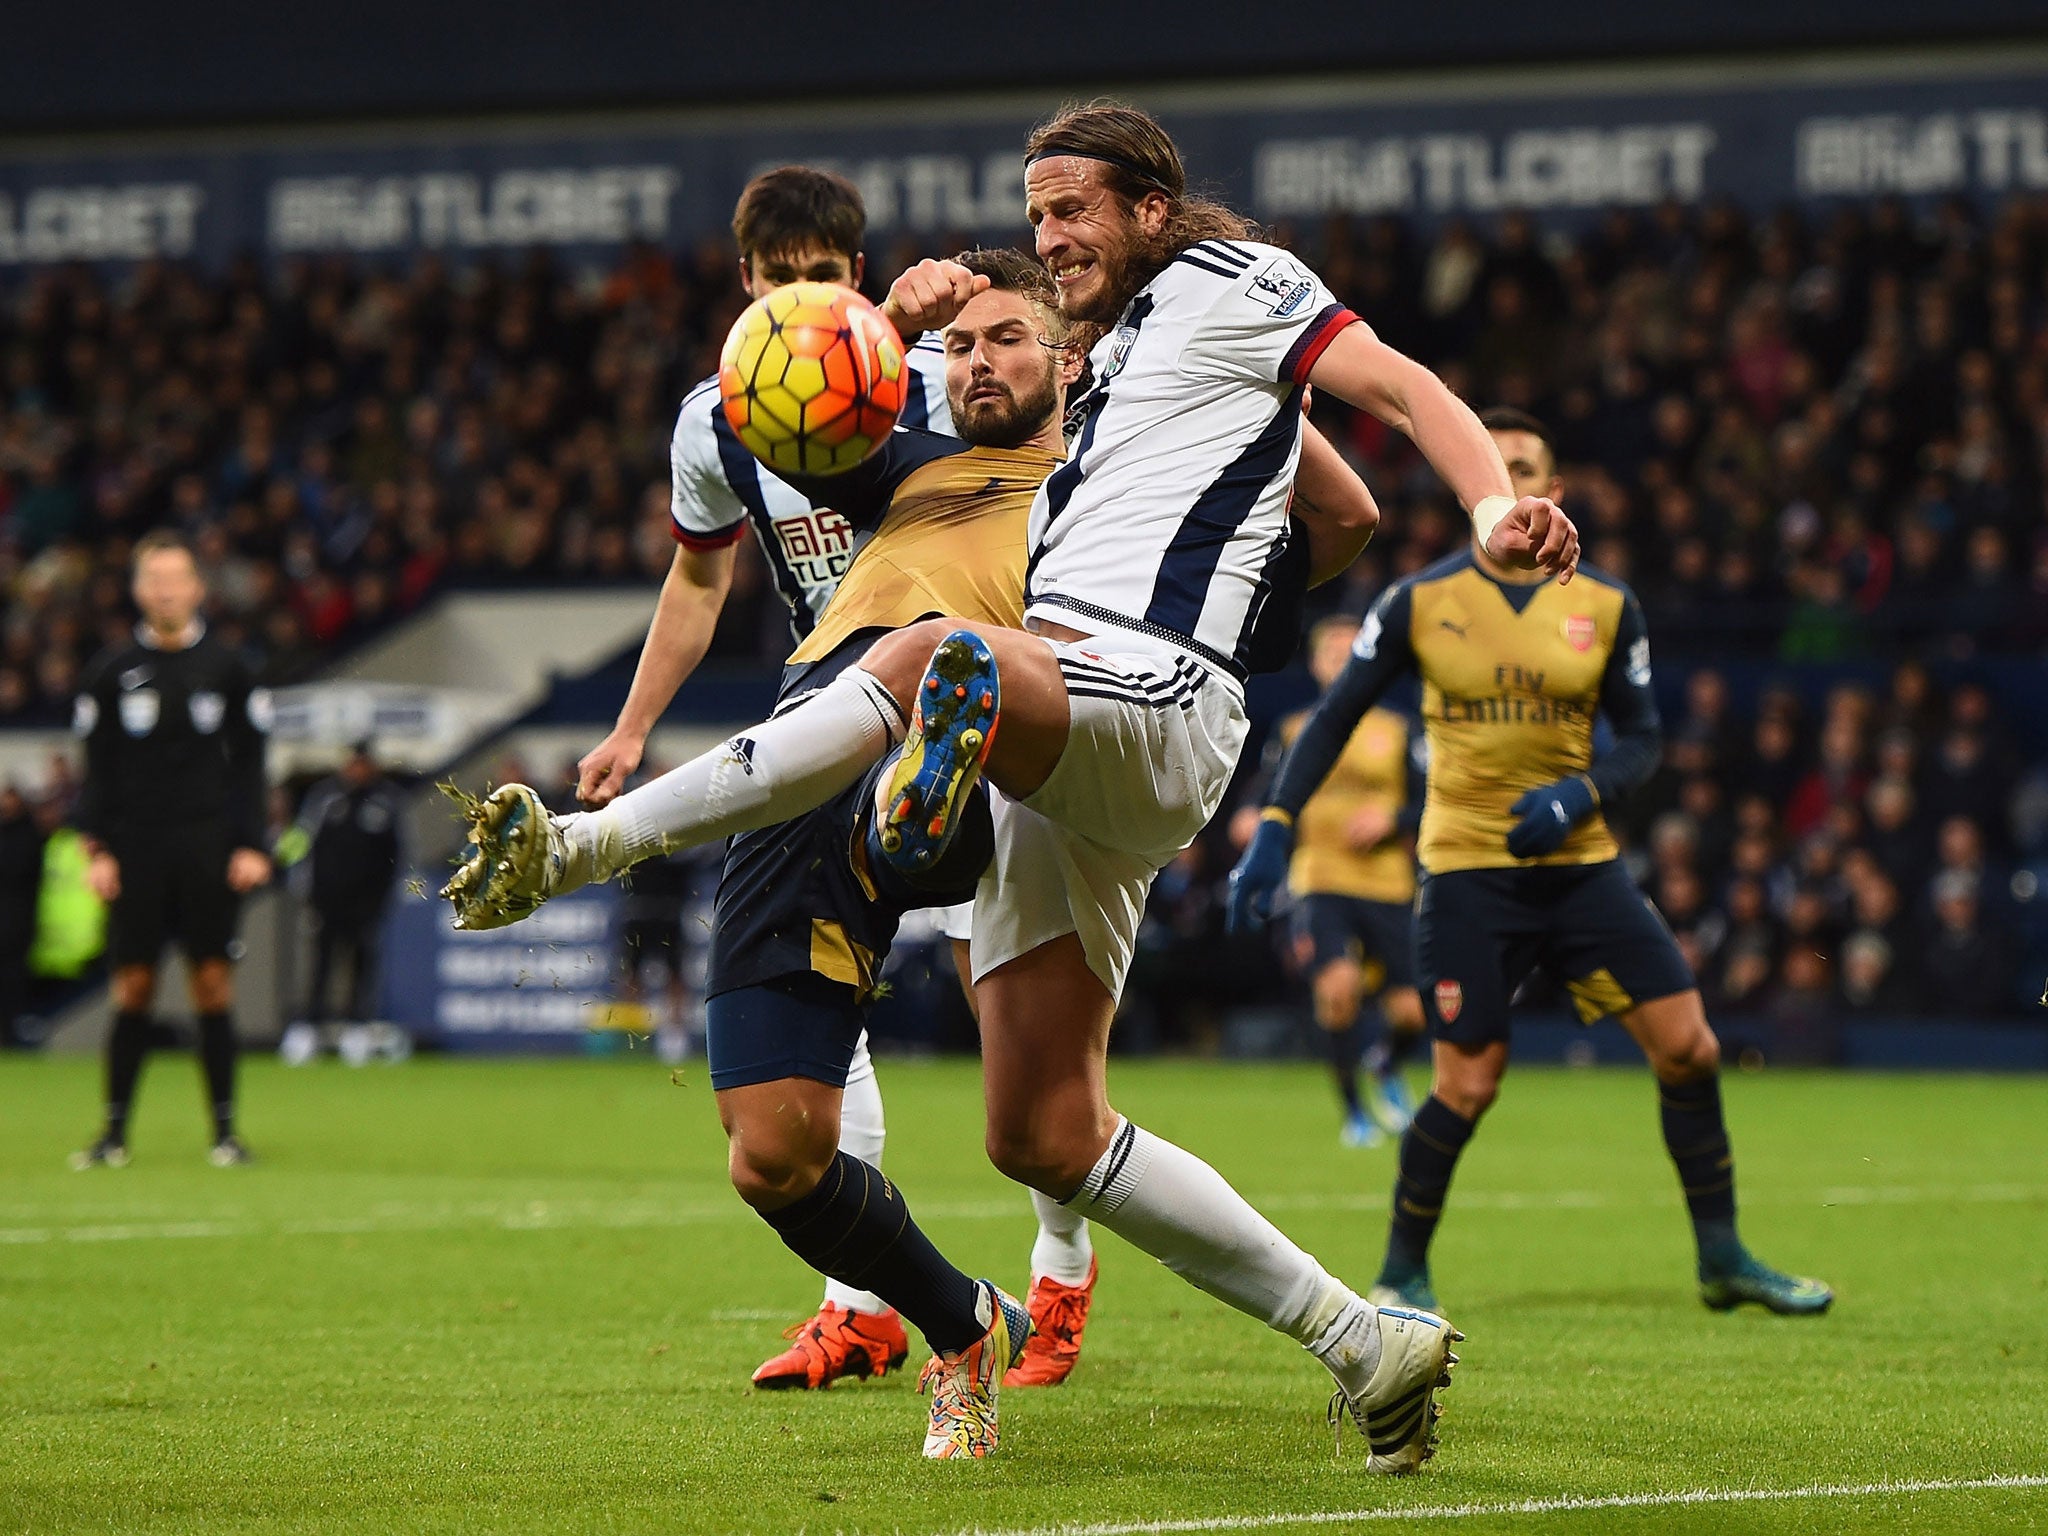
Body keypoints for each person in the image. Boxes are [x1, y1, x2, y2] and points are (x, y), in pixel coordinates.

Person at [447, 103, 1579, 1470]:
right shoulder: (1058, 370)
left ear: (1152, 210)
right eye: (1034, 222)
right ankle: (1363, 1343)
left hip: (1140, 691)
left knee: (947, 657)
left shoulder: (1241, 289)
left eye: (1070, 215)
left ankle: (602, 845)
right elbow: (820, 456)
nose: (1049, 241)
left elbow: (1391, 392)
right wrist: (917, 317)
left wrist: (1479, 511)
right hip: (1040, 748)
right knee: (1039, 1132)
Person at [571, 169, 1096, 1395]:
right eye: (776, 277)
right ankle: (856, 1306)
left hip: (966, 701)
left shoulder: (944, 368)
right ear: (745, 287)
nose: (800, 295)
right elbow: (698, 584)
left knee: (1009, 1019)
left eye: (823, 273)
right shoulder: (716, 417)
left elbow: (1059, 443)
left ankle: (1059, 1271)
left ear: (854, 277)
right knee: (823, 1006)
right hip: (830, 710)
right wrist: (630, 727)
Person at [1227, 407, 1832, 1318]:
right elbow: (1338, 716)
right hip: (1469, 874)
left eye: (1529, 469)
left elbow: (1643, 741)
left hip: (1583, 869)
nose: (1513, 484)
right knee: (1468, 1084)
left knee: (1692, 1049)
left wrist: (1579, 795)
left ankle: (1722, 1257)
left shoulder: (1607, 605)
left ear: (1555, 491)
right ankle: (1400, 1271)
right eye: (1496, 469)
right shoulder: (1421, 603)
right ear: (1479, 492)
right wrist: (1276, 823)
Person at [70, 531, 272, 1168]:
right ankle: (113, 1135)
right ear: (138, 590)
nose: (164, 589)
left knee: (212, 984)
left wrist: (250, 844)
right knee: (133, 987)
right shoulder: (107, 671)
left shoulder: (232, 668)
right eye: (152, 578)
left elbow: (251, 766)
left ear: (196, 588)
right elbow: (95, 769)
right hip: (135, 850)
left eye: (174, 577)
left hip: (208, 848)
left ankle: (225, 1133)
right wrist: (97, 848)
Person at [1233, 615, 1425, 1146]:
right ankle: (1355, 1114)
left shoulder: (1399, 729)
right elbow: (1268, 789)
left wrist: (1394, 820)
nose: (1342, 662)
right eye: (1332, 653)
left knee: (1411, 1010)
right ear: (1315, 664)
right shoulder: (1296, 730)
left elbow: (1428, 801)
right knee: (1337, 990)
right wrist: (1251, 815)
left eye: (1352, 652)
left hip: (1388, 881)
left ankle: (1384, 1062)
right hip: (1320, 877)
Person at [280, 740, 404, 1066]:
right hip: (327, 900)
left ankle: (357, 1027)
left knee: (363, 964)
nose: (358, 769)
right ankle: (310, 1028)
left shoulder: (387, 801)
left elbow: (401, 854)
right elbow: (301, 840)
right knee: (321, 964)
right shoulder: (325, 797)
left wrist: (386, 896)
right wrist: (289, 872)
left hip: (367, 901)